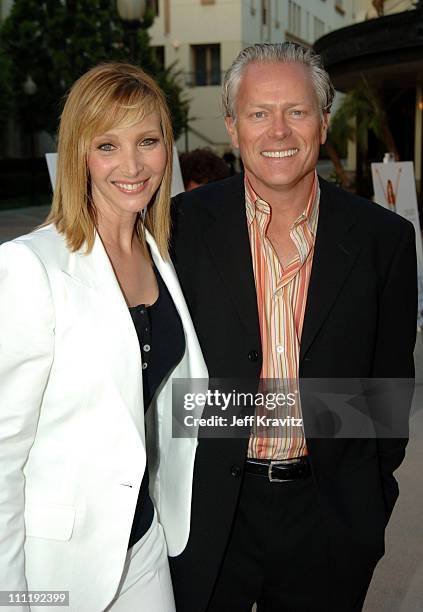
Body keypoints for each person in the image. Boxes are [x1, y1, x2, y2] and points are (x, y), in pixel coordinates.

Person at [170, 43, 417, 611]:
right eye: (258, 113)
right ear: (232, 127)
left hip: (328, 521)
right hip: (209, 515)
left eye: (297, 112)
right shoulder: (180, 229)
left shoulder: (384, 241)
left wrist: (368, 505)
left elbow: (387, 396)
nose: (277, 131)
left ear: (324, 123)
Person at [0, 63, 207, 611]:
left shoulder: (161, 257)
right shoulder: (30, 267)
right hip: (57, 564)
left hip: (143, 541)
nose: (133, 165)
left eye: (148, 141)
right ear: (78, 155)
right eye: (107, 145)